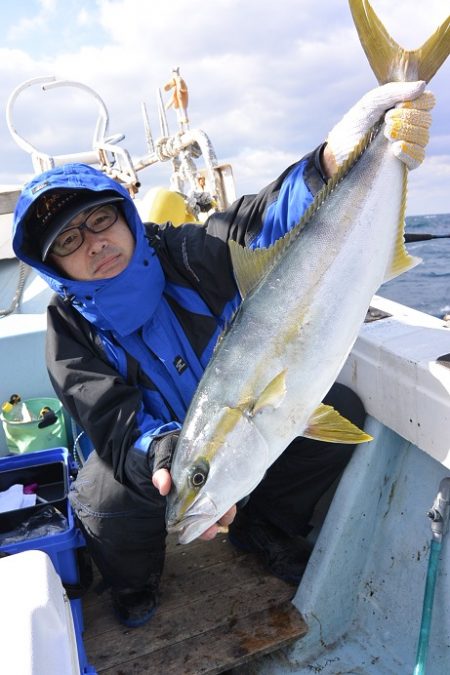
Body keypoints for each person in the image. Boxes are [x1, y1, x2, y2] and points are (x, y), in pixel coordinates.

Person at [12, 80, 433, 628]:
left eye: (99, 220)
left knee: (344, 411)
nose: (93, 242)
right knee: (101, 496)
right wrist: (165, 453)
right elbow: (112, 423)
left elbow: (263, 221)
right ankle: (136, 585)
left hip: (226, 425)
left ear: (125, 216)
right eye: (68, 241)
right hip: (163, 452)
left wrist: (334, 159)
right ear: (53, 267)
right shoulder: (66, 331)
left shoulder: (189, 252)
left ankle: (265, 527)